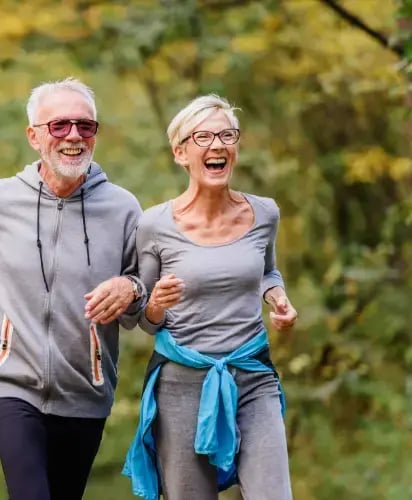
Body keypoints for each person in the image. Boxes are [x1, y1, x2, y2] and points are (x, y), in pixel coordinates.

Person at [0, 77, 146, 500]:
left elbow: (144, 295)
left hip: (86, 387)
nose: (73, 135)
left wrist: (131, 287)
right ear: (34, 136)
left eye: (85, 126)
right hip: (9, 379)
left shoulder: (124, 209)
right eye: (59, 126)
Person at [123, 94, 298, 500]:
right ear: (180, 153)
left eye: (226, 135)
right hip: (181, 384)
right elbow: (142, 320)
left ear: (236, 147)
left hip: (252, 375)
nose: (216, 145)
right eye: (202, 137)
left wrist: (278, 297)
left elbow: (266, 272)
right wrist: (156, 304)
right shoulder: (154, 225)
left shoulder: (264, 213)